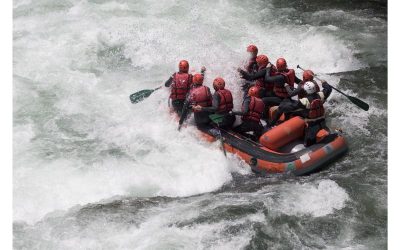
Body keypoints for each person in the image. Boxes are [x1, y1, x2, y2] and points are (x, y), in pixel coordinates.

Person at [268, 80, 333, 146]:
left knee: (308, 144)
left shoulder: (304, 101)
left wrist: (281, 107)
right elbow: (328, 88)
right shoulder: (321, 95)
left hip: (312, 125)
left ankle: (272, 124)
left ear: (306, 91)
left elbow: (292, 107)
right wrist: (324, 83)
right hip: (322, 122)